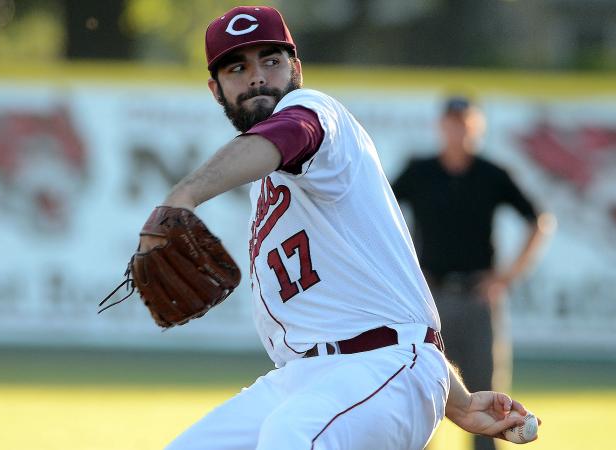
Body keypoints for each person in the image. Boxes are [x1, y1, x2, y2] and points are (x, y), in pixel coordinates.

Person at [141, 7, 538, 450]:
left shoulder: (313, 112)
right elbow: (367, 303)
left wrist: (183, 196)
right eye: (238, 67)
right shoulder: (265, 182)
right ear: (216, 89)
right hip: (307, 377)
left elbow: (292, 132)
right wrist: (458, 400)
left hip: (382, 365)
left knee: (291, 438)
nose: (257, 78)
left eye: (271, 61)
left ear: (296, 68)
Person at [392, 96, 550, 450]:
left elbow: (537, 221)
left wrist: (505, 278)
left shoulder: (491, 173)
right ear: (440, 126)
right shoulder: (419, 172)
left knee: (486, 402)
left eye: (465, 122)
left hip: (477, 299)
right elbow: (381, 212)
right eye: (451, 122)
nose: (457, 129)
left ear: (477, 126)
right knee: (424, 396)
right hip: (430, 301)